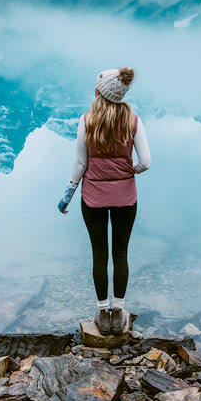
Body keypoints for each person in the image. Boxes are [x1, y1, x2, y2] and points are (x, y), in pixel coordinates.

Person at [60, 66, 151, 335]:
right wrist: (129, 171)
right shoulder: (134, 120)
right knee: (120, 253)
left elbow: (80, 162)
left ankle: (102, 313)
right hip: (126, 198)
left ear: (100, 91)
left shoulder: (87, 120)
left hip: (93, 198)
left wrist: (67, 195)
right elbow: (146, 162)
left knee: (99, 255)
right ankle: (119, 312)